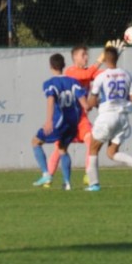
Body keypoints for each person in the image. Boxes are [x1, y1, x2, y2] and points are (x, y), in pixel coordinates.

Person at [44, 41, 124, 184]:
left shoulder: (89, 71)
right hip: (68, 120)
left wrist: (113, 58)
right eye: (83, 55)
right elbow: (87, 74)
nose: (86, 57)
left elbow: (106, 74)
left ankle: (89, 174)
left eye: (86, 54)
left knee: (91, 143)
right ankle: (48, 177)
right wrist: (100, 59)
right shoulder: (70, 72)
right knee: (59, 149)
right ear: (75, 57)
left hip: (81, 119)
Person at [84, 45, 132, 192]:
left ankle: (94, 184)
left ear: (105, 59)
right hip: (123, 118)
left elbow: (92, 102)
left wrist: (92, 103)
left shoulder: (101, 77)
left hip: (107, 116)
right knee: (111, 152)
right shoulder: (127, 74)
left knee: (93, 148)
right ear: (117, 58)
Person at [32, 53, 89, 190]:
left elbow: (51, 100)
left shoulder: (50, 83)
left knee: (35, 142)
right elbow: (85, 105)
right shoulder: (73, 82)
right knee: (62, 149)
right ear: (63, 66)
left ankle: (46, 174)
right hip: (73, 123)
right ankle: (67, 183)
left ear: (51, 66)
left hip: (59, 121)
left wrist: (49, 121)